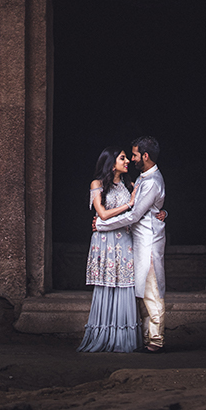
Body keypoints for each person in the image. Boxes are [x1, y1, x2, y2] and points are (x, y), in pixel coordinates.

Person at [94, 136, 166, 352]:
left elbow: (134, 215)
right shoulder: (143, 177)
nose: (131, 159)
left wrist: (102, 225)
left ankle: (155, 341)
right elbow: (151, 208)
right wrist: (161, 212)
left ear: (145, 156)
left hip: (148, 243)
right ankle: (146, 338)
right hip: (135, 242)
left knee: (152, 291)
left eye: (134, 155)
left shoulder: (152, 181)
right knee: (142, 292)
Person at [77, 146, 142, 352]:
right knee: (107, 285)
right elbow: (102, 215)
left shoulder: (129, 184)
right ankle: (103, 334)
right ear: (111, 162)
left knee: (125, 284)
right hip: (105, 241)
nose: (127, 161)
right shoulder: (97, 184)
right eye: (123, 158)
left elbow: (147, 206)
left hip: (124, 240)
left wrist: (163, 213)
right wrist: (128, 205)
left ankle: (123, 339)